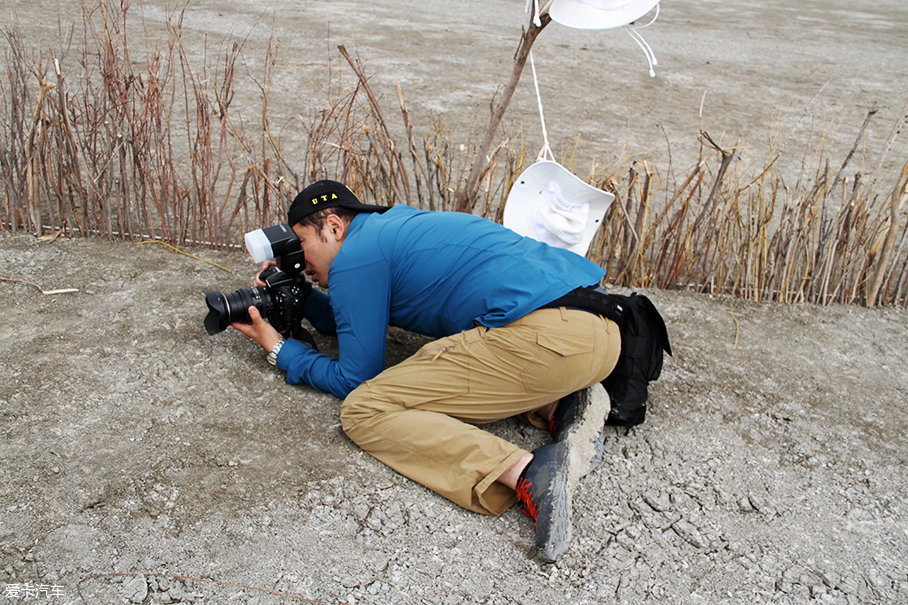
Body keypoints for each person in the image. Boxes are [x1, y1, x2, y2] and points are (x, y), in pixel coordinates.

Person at [231, 179, 624, 561]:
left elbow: (355, 378)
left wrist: (280, 349)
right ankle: (560, 402)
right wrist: (295, 296)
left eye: (301, 244)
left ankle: (526, 472)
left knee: (365, 408)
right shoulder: (393, 228)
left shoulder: (356, 257)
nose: (300, 261)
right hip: (599, 338)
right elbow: (347, 322)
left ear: (334, 227)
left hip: (548, 342)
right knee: (483, 346)